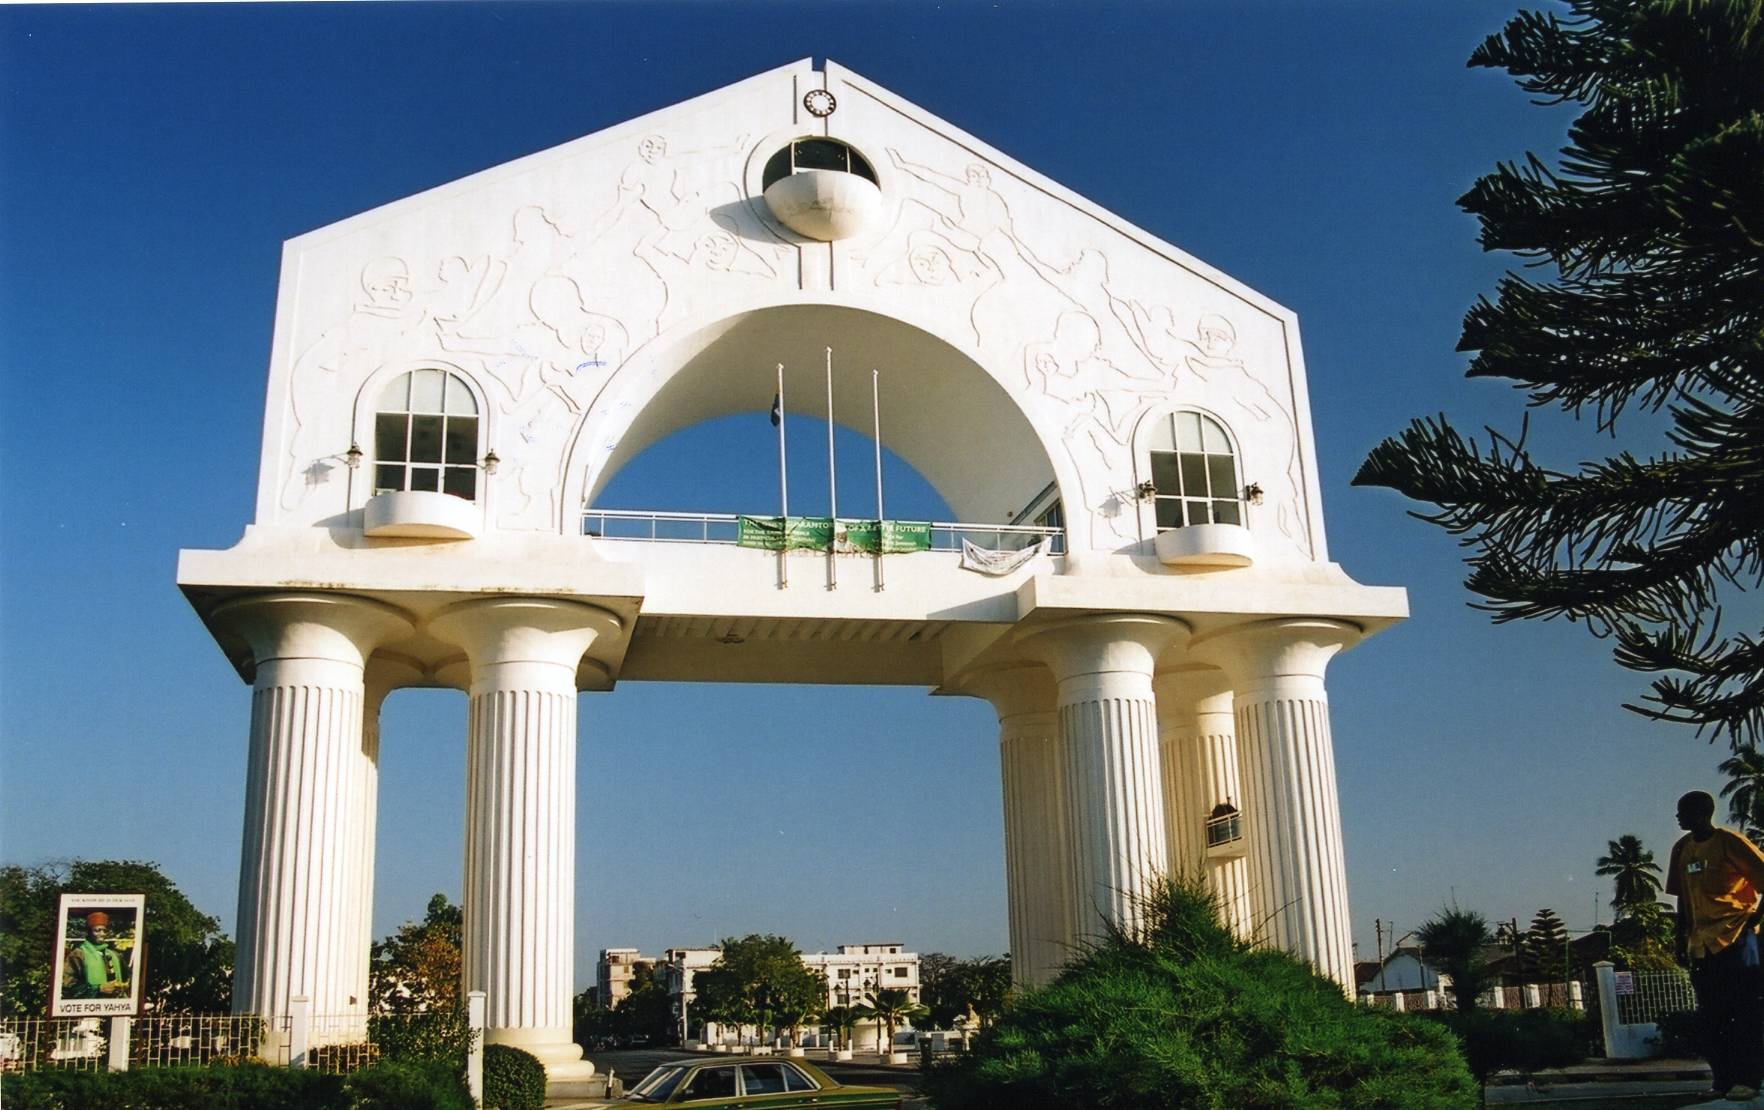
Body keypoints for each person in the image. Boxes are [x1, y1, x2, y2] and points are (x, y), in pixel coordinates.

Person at [1668, 790, 1764, 1101]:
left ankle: (1748, 1080)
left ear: (1702, 813)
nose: (1678, 816)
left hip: (1736, 938)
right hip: (1701, 944)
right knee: (1711, 1018)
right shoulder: (1681, 849)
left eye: (1684, 811)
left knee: (1744, 1014)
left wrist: (1752, 922)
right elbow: (1683, 899)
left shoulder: (1729, 842)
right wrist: (1680, 938)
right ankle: (1722, 1081)